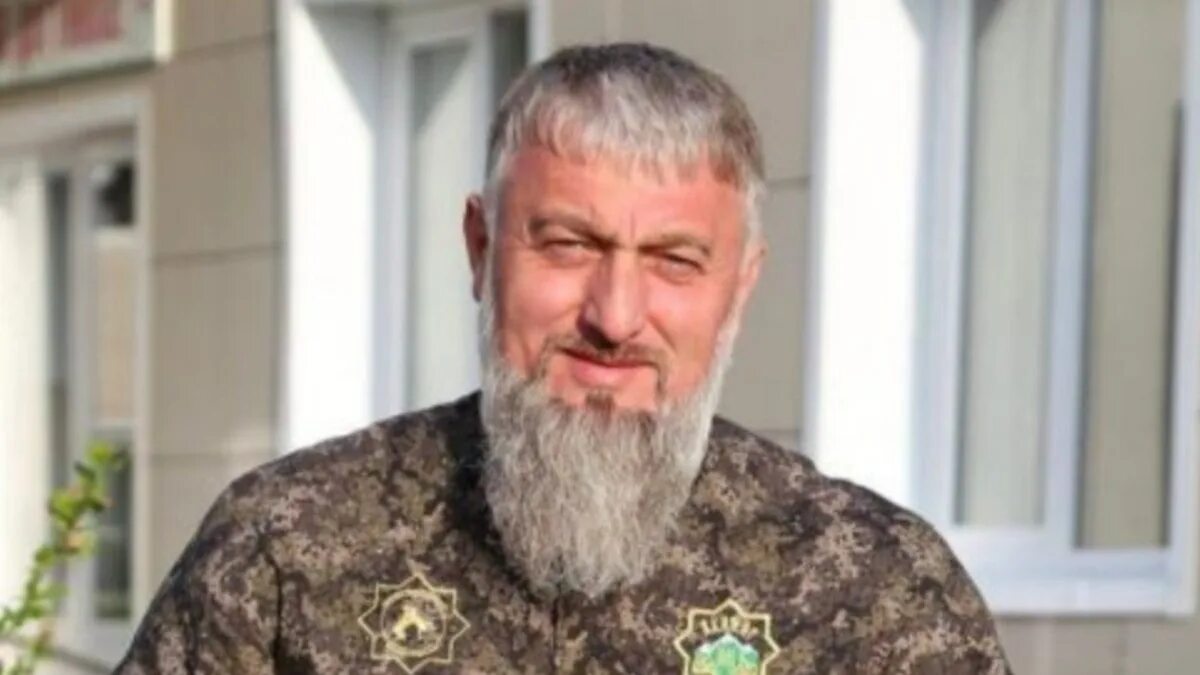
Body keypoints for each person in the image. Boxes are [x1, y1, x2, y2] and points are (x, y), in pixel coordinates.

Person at [115, 43, 1011, 674]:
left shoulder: (872, 588)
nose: (615, 317)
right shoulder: (288, 546)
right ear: (480, 248)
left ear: (739, 287)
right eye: (569, 244)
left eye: (674, 260)